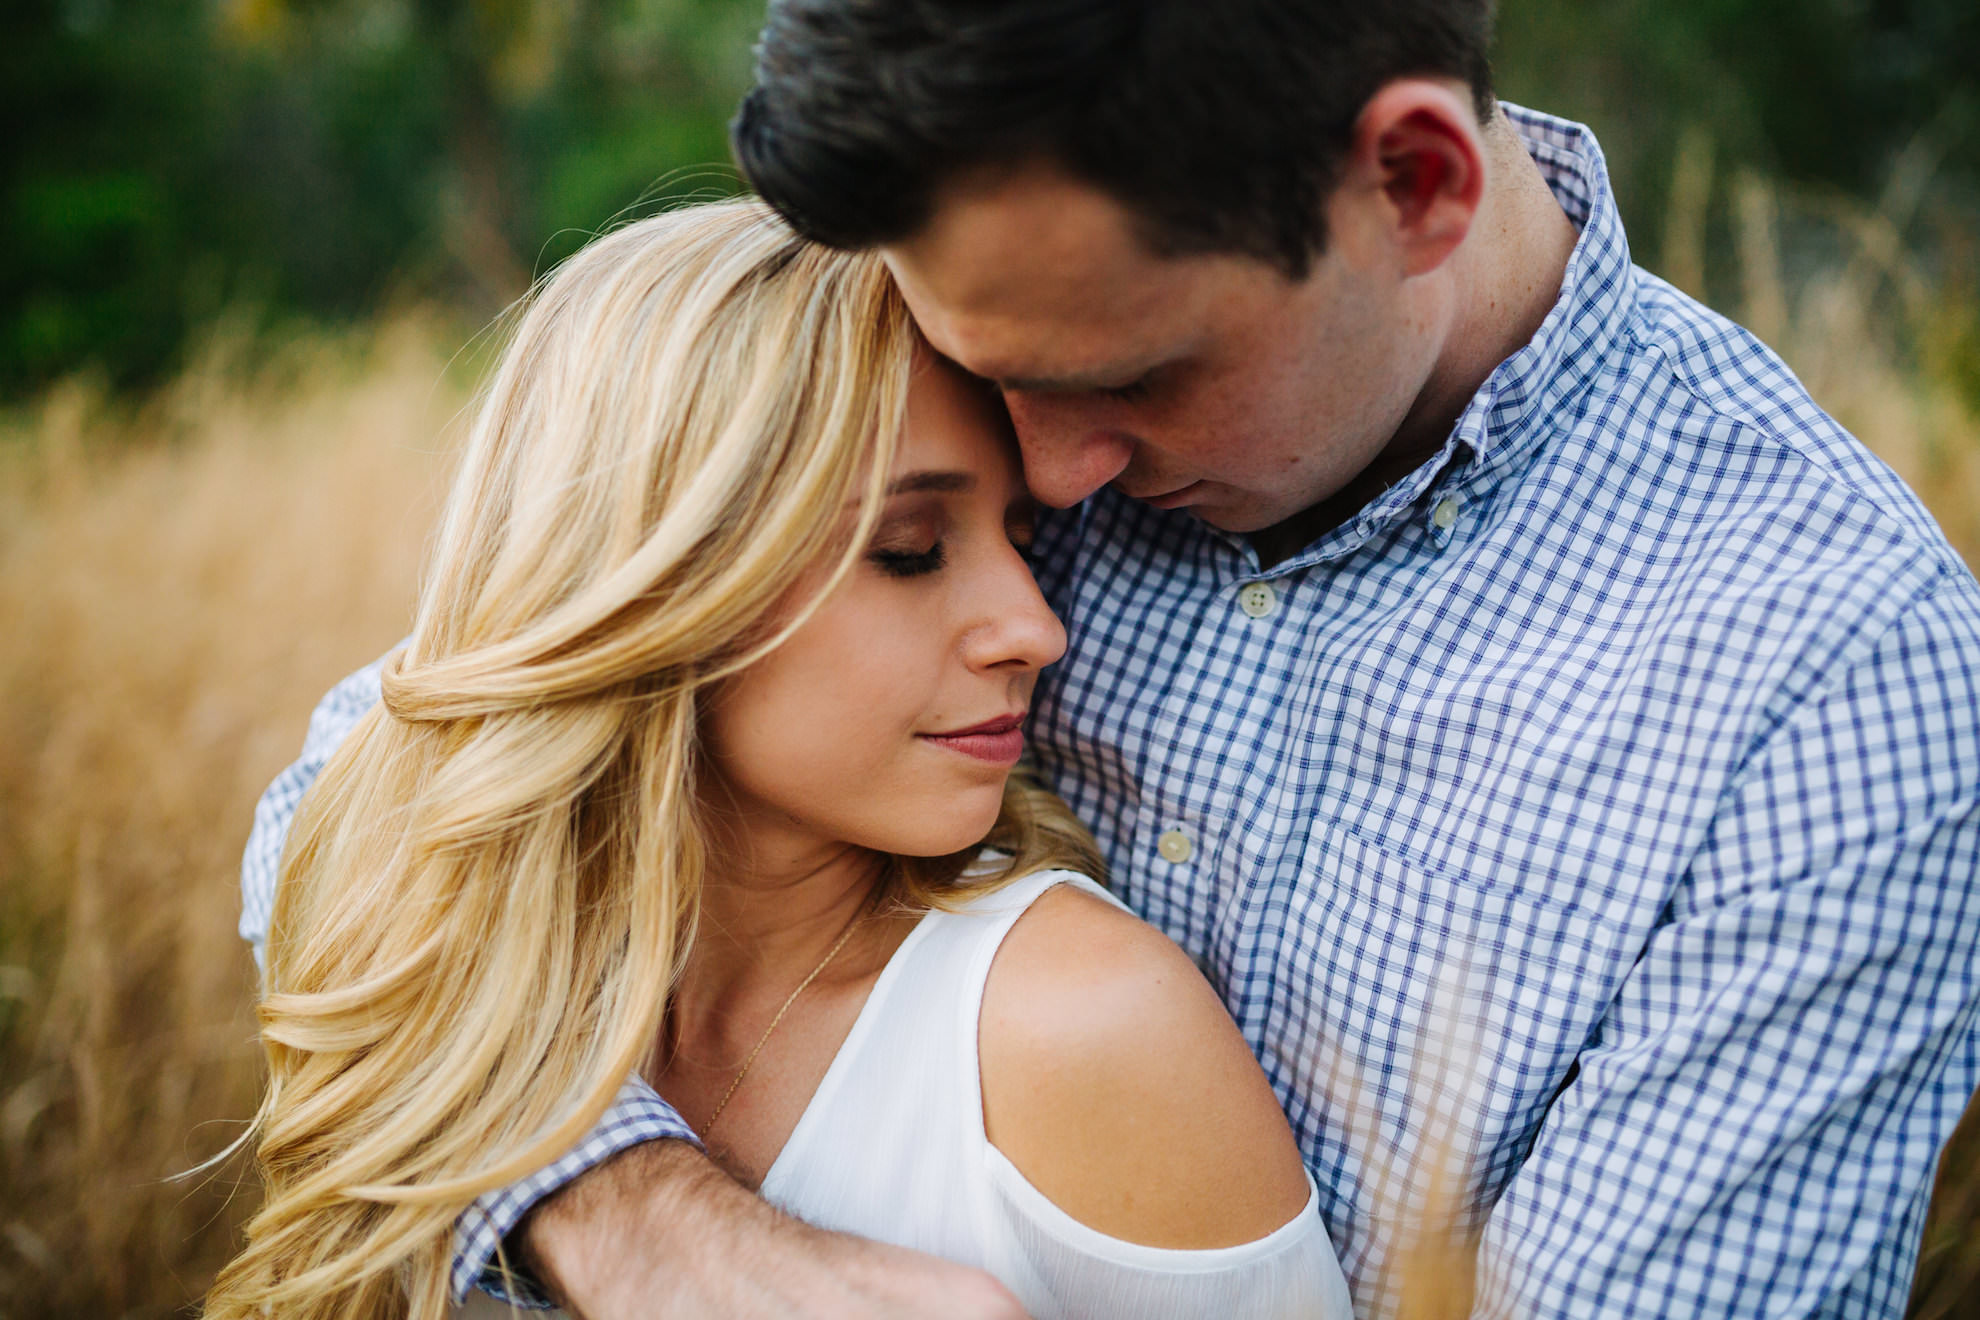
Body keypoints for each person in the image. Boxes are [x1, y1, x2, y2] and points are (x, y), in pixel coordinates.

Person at [243, 1, 1980, 1316]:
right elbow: (376, 780)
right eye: (985, 369)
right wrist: (637, 1220)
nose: (1058, 486)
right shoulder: (967, 396)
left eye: (1130, 378)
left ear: (1417, 183)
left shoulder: (1832, 685)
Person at [210, 201, 1354, 1319]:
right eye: (910, 550)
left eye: (1022, 540)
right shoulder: (461, 956)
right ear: (658, 587)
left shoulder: (1078, 1031)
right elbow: (340, 792)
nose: (1035, 629)